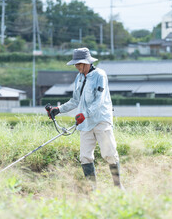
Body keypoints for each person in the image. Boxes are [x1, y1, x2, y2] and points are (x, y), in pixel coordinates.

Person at [48, 47, 123, 190]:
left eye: (78, 64)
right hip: (85, 123)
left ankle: (118, 187)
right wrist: (58, 110)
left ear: (87, 63)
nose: (76, 67)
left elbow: (99, 100)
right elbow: (75, 100)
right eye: (75, 64)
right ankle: (92, 190)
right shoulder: (79, 78)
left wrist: (85, 113)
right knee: (85, 157)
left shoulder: (100, 75)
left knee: (110, 154)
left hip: (101, 120)